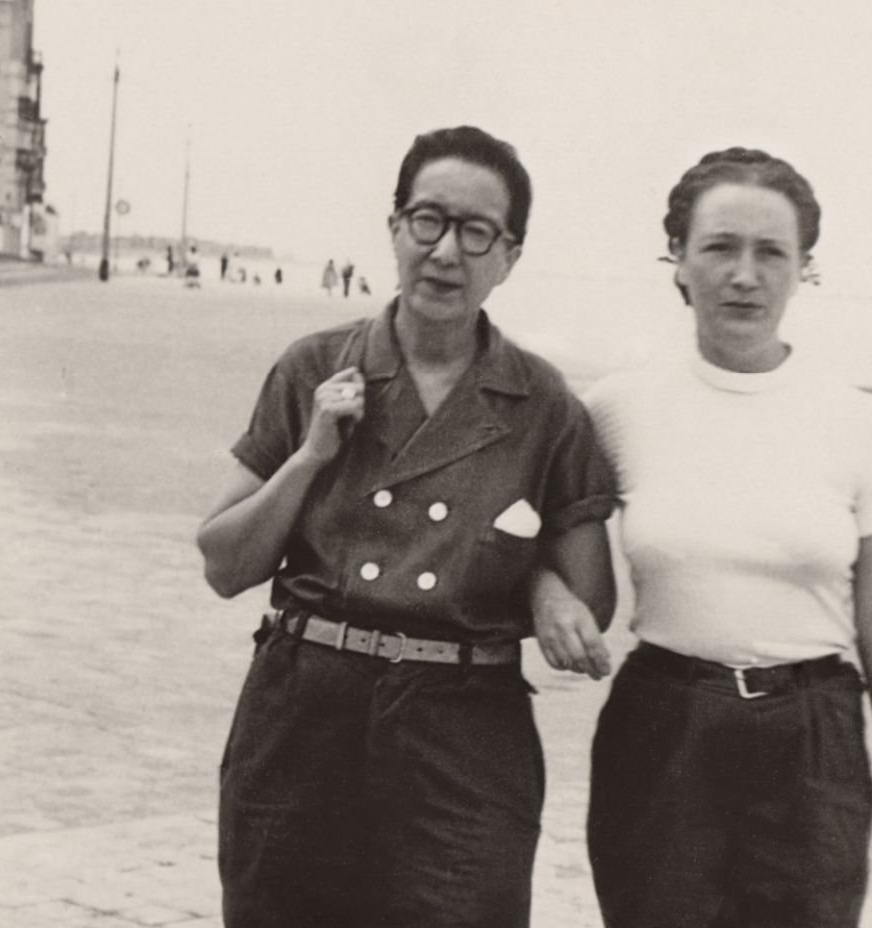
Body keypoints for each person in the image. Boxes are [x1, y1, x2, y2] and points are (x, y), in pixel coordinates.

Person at [197, 125, 616, 928]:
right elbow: (224, 564)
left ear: (509, 256)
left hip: (465, 728)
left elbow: (592, 599)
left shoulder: (546, 406)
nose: (446, 252)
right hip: (303, 715)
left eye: (477, 232)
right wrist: (311, 456)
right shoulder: (314, 368)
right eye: (428, 220)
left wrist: (544, 586)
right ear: (395, 227)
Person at [534, 148, 872, 927]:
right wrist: (546, 591)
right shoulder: (617, 408)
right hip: (662, 730)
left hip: (814, 743)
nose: (744, 275)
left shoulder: (856, 422)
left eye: (771, 253)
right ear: (679, 258)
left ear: (804, 269)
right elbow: (526, 535)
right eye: (720, 247)